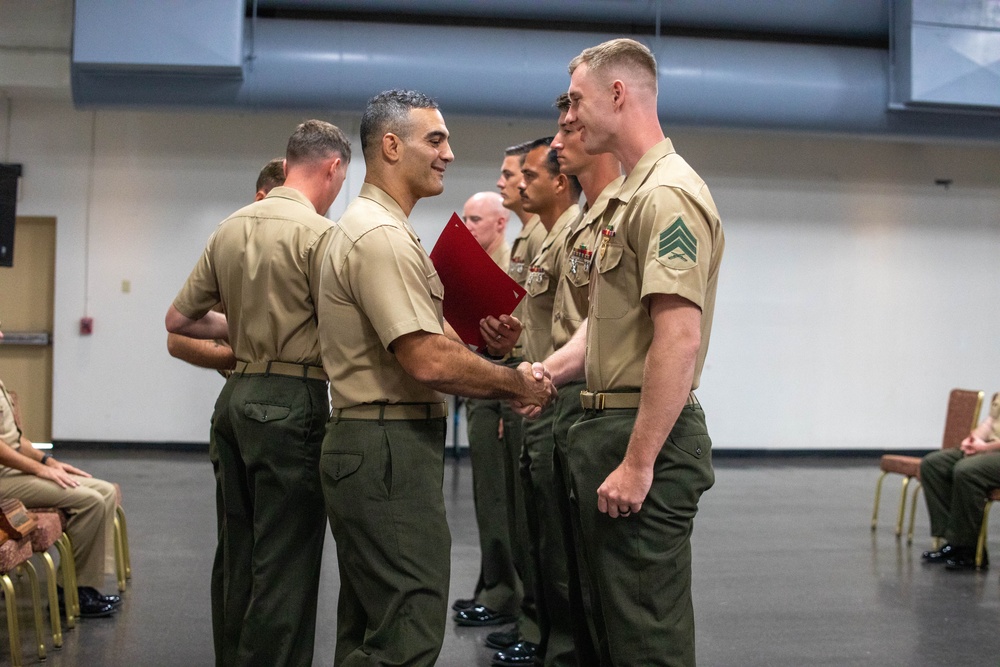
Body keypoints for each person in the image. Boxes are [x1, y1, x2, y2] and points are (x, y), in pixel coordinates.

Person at [313, 89, 555, 667]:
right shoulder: (383, 237)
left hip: (374, 443)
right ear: (391, 146)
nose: (448, 152)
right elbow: (424, 359)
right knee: (409, 625)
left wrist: (483, 345)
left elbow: (433, 339)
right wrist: (515, 382)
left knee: (370, 626)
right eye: (436, 139)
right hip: (387, 447)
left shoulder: (376, 228)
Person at [539, 38, 725, 666]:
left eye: (577, 101)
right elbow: (603, 326)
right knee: (605, 627)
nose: (570, 116)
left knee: (645, 638)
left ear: (618, 94)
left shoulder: (666, 194)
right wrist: (540, 376)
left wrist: (640, 463)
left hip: (641, 434)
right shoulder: (625, 197)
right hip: (603, 425)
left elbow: (679, 336)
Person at [165, 119, 351, 666]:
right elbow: (346, 329)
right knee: (286, 563)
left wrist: (241, 327)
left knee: (238, 552)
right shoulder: (321, 235)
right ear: (333, 167)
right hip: (293, 403)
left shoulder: (230, 227)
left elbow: (178, 320)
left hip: (234, 402)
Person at [164, 157, 284, 660]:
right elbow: (177, 333)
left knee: (265, 554)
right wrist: (237, 354)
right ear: (262, 197)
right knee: (246, 553)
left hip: (276, 401)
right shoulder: (235, 246)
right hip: (250, 401)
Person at [0, 326, 120, 618]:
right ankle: (73, 593)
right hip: (4, 479)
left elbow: (15, 439)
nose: (2, 336)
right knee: (90, 501)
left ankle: (85, 584)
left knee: (103, 491)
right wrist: (39, 472)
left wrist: (47, 462)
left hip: (13, 471)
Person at [451, 191, 524, 629]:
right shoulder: (477, 268)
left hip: (500, 389)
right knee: (488, 497)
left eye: (476, 218)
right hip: (480, 387)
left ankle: (504, 594)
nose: (468, 224)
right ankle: (491, 585)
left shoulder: (511, 265)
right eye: (466, 216)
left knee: (501, 499)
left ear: (500, 223)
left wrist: (502, 404)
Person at [920, 394, 1000, 570]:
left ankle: (969, 548)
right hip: (990, 448)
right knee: (933, 465)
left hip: (994, 450)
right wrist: (972, 440)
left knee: (967, 471)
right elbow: (990, 422)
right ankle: (953, 541)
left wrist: (985, 448)